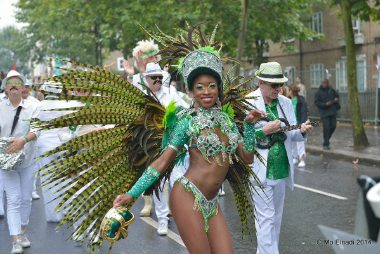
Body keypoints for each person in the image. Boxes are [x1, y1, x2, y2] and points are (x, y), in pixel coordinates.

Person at [113, 48, 263, 253]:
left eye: (211, 86)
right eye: (199, 87)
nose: (206, 91)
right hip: (187, 196)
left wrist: (249, 126)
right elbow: (163, 161)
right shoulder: (187, 121)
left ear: (218, 88)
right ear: (191, 91)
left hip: (212, 202)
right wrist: (132, 194)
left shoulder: (227, 121)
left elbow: (247, 158)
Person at [246, 62, 313, 254]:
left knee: (274, 220)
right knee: (265, 219)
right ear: (260, 83)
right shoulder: (248, 102)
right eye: (274, 85)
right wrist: (263, 131)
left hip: (281, 168)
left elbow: (291, 133)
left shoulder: (284, 102)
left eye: (280, 84)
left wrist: (302, 131)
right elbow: (240, 139)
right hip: (260, 170)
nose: (279, 89)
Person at [0, 70, 40, 254]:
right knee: (13, 199)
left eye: (17, 82)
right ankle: (15, 239)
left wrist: (22, 140)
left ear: (23, 88)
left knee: (25, 199)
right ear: (5, 88)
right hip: (6, 162)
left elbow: (38, 129)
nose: (14, 84)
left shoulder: (33, 107)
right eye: (10, 82)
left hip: (28, 160)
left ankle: (23, 231)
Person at [314, 78, 340, 150]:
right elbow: (316, 102)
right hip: (324, 113)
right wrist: (325, 104)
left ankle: (327, 139)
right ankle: (326, 143)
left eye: (326, 83)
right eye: (323, 83)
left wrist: (336, 99)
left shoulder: (331, 90)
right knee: (327, 128)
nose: (324, 84)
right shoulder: (318, 92)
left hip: (332, 111)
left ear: (328, 83)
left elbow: (337, 96)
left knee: (333, 126)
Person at [289, 84, 308, 168]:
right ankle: (294, 157)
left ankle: (302, 159)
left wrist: (302, 124)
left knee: (300, 142)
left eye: (288, 90)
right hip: (291, 125)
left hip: (299, 124)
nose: (288, 92)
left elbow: (304, 113)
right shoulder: (287, 100)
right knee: (292, 142)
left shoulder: (301, 100)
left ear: (291, 91)